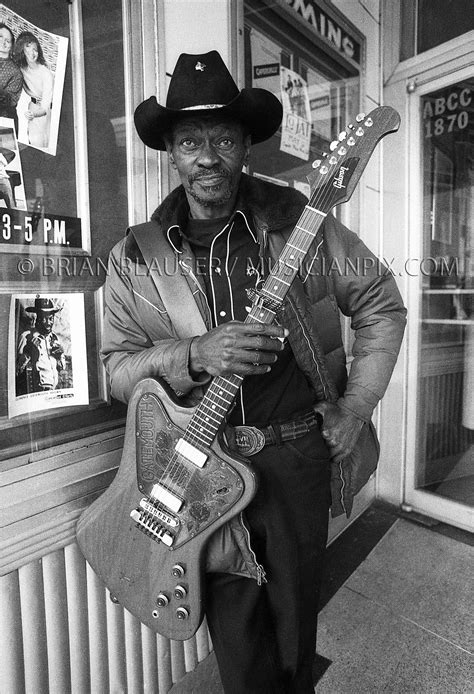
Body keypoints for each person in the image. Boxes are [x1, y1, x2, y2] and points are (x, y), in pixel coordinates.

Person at [102, 51, 406, 693]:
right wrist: (192, 355)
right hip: (197, 468)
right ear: (172, 152)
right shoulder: (135, 254)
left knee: (296, 628)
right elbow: (115, 372)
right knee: (235, 637)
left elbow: (381, 301)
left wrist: (355, 407)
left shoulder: (303, 224)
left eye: (222, 139)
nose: (206, 156)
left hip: (294, 459)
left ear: (244, 146)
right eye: (190, 141)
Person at [16, 296, 66, 395]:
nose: (49, 323)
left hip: (54, 392)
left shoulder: (55, 339)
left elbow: (62, 368)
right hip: (36, 393)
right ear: (38, 318)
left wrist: (59, 356)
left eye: (51, 318)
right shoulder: (27, 337)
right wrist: (28, 353)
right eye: (44, 319)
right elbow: (17, 371)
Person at [13, 31, 54, 149]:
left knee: (46, 145)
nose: (33, 53)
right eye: (28, 49)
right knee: (35, 143)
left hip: (46, 112)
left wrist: (34, 114)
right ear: (22, 51)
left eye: (35, 49)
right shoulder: (21, 69)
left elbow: (46, 107)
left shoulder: (45, 73)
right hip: (33, 108)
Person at [0, 23, 22, 133]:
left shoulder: (15, 71)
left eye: (8, 40)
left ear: (11, 45)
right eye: (0, 37)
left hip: (5, 121)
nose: (3, 42)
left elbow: (9, 102)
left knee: (6, 150)